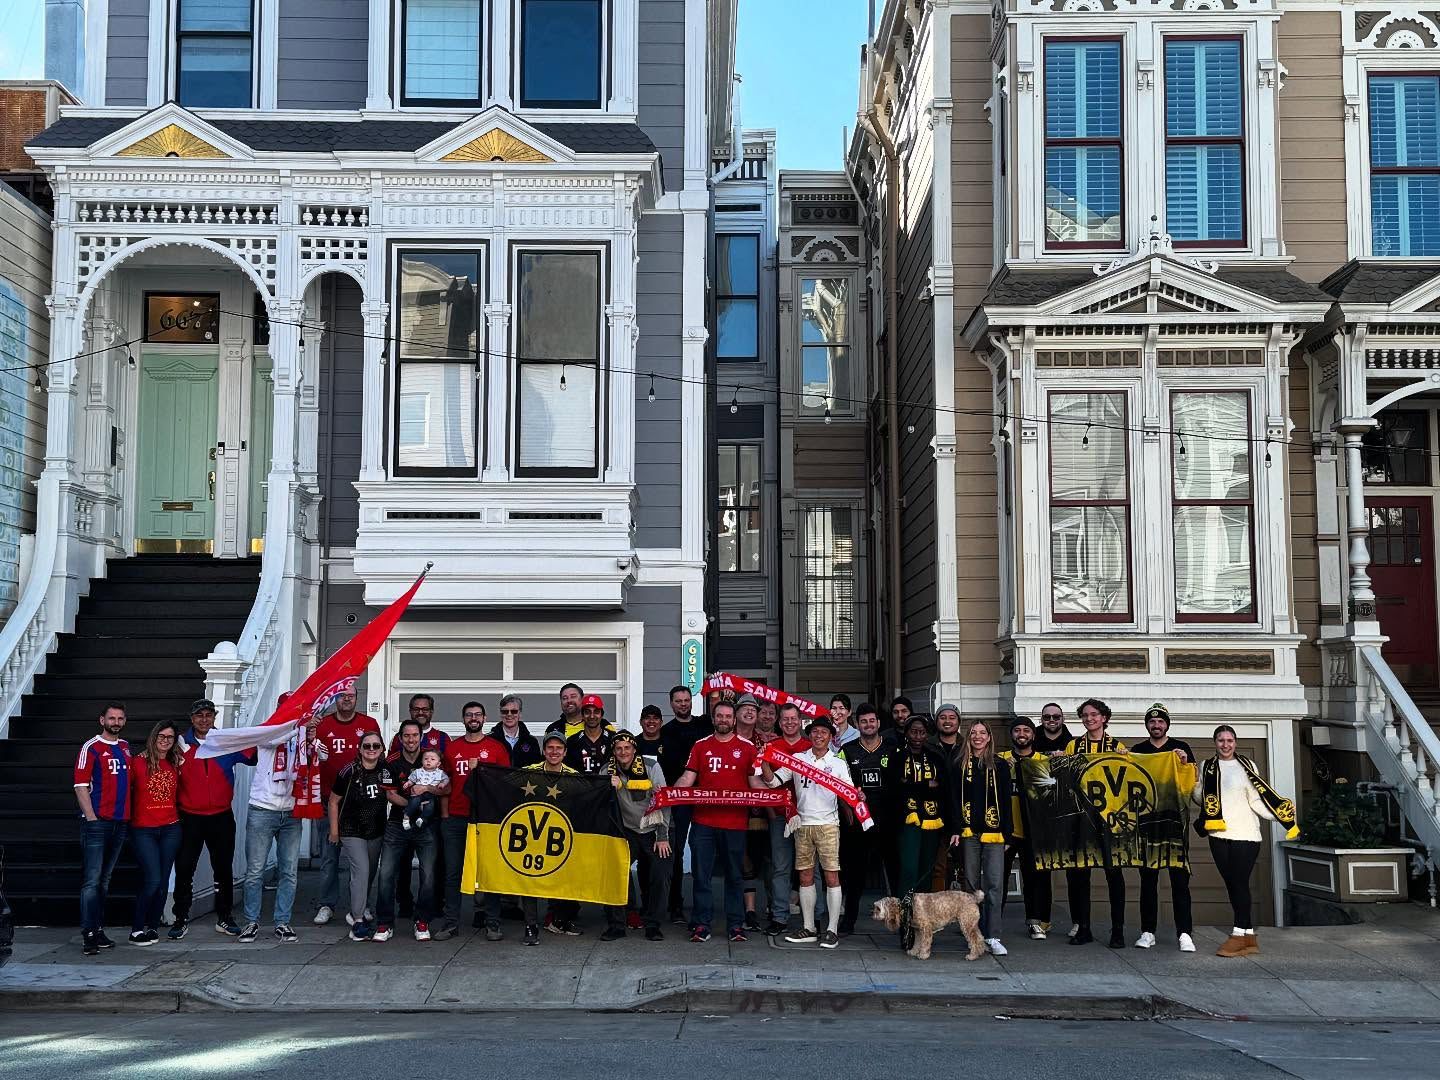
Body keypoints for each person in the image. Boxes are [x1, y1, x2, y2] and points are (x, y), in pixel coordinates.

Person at [1195, 724, 1296, 957]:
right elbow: (1202, 800)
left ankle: (1238, 934)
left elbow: (1257, 799)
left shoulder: (1247, 766)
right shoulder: (1207, 766)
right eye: (1221, 740)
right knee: (1232, 885)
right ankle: (1249, 936)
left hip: (1246, 835)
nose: (1225, 745)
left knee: (1239, 883)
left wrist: (1281, 817)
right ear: (1215, 743)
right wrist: (1196, 786)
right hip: (1218, 835)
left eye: (1229, 740)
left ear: (1235, 743)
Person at [672, 700, 763, 943]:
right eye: (719, 716)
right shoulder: (701, 746)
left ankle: (735, 925)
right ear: (713, 719)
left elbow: (755, 783)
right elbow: (687, 778)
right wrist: (668, 794)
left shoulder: (747, 748)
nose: (723, 720)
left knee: (734, 876)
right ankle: (702, 924)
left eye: (727, 716)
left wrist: (774, 796)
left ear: (734, 720)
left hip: (735, 824)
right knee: (702, 876)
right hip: (703, 822)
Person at [762, 717, 851, 948]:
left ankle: (831, 930)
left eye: (824, 732)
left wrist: (858, 798)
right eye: (815, 732)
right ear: (809, 735)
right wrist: (763, 760)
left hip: (829, 825)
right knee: (805, 876)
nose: (818, 736)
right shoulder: (798, 759)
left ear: (831, 736)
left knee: (832, 876)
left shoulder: (838, 762)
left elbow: (848, 793)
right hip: (802, 824)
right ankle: (809, 928)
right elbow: (773, 782)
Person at [171, 699, 255, 939]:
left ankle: (225, 917)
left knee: (223, 869)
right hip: (190, 817)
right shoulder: (179, 745)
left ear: (215, 717)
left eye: (209, 715)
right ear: (191, 718)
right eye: (200, 715)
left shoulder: (225, 741)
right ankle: (180, 917)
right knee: (185, 868)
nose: (204, 719)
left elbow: (254, 756)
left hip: (221, 816)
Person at [239, 706, 322, 943]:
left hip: (291, 811)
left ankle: (282, 921)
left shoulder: (301, 735)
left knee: (289, 871)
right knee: (255, 870)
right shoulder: (269, 731)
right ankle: (251, 921)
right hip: (263, 809)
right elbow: (273, 738)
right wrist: (302, 727)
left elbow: (322, 756)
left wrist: (312, 738)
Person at [439, 701, 510, 941]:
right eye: (469, 714)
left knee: (488, 873)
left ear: (485, 718)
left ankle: (492, 923)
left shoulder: (496, 748)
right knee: (452, 873)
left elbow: (504, 784)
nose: (473, 718)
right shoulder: (452, 748)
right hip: (456, 818)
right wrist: (445, 815)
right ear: (463, 719)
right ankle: (450, 924)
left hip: (485, 820)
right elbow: (445, 783)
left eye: (477, 714)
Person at [373, 719, 448, 943]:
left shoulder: (431, 758)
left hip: (427, 826)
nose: (411, 739)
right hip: (398, 824)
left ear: (420, 736)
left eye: (415, 735)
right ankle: (385, 923)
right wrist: (413, 804)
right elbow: (390, 794)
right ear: (400, 737)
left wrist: (426, 788)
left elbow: (447, 787)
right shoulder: (391, 762)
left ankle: (422, 920)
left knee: (428, 875)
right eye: (406, 735)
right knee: (386, 873)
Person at [1131, 702, 1196, 953]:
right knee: (1148, 882)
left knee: (1180, 882)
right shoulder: (1139, 749)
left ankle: (1185, 933)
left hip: (1175, 826)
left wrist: (1183, 763)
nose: (1156, 725)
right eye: (1152, 721)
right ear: (1147, 724)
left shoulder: (1181, 748)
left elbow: (1192, 783)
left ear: (1167, 724)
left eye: (1160, 721)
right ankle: (1148, 931)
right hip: (1147, 825)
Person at [1063, 698, 1127, 948]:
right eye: (1085, 715)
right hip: (1081, 817)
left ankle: (1118, 930)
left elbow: (1125, 780)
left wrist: (1126, 758)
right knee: (1080, 874)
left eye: (1094, 715)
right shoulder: (1074, 745)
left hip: (1109, 819)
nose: (1089, 719)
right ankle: (1084, 927)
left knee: (1114, 874)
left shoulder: (1116, 745)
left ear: (1104, 718)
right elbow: (1063, 776)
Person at [313, 690, 380, 927]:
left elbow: (376, 758)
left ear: (357, 698)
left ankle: (362, 905)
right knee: (329, 857)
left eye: (351, 695)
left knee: (364, 862)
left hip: (360, 806)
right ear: (335, 699)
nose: (347, 699)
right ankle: (326, 904)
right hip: (328, 800)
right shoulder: (323, 725)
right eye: (341, 695)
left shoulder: (368, 723)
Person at [603, 731, 672, 941]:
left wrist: (662, 835)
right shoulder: (607, 770)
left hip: (652, 828)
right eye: (618, 748)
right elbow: (599, 804)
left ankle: (653, 924)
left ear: (634, 749)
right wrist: (608, 787)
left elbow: (663, 799)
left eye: (627, 747)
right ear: (613, 752)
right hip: (626, 831)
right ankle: (617, 924)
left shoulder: (651, 766)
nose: (623, 752)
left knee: (660, 874)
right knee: (613, 871)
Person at [75, 703, 131, 955]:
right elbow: (80, 784)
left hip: (120, 822)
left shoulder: (125, 747)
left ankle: (98, 929)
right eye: (111, 718)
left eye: (120, 718)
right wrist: (92, 818)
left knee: (105, 880)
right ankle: (87, 932)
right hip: (98, 823)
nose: (116, 722)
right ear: (102, 720)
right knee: (92, 880)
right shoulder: (92, 747)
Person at [954, 720, 1013, 956]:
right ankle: (972, 933)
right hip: (969, 833)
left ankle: (993, 935)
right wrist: (956, 829)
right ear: (968, 737)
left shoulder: (999, 765)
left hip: (994, 832)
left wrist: (1008, 833)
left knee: (994, 884)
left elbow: (1007, 801)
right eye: (973, 733)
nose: (978, 737)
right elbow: (953, 799)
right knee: (970, 884)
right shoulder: (958, 764)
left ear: (989, 737)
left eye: (982, 733)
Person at [328, 734, 392, 941]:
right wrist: (334, 831)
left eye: (375, 745)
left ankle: (362, 906)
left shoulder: (385, 770)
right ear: (359, 748)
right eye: (367, 745)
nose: (371, 749)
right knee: (361, 872)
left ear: (382, 748)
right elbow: (333, 801)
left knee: (370, 872)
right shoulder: (349, 771)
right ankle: (357, 920)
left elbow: (391, 795)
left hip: (376, 829)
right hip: (351, 829)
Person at [126, 720, 184, 946]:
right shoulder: (137, 763)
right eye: (162, 736)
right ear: (153, 737)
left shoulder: (175, 763)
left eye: (170, 737)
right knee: (152, 879)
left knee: (162, 883)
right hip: (144, 829)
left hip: (170, 827)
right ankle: (136, 929)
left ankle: (152, 927)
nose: (165, 741)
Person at [841, 703, 896, 934]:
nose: (868, 725)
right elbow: (839, 782)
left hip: (887, 822)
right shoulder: (847, 749)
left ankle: (899, 922)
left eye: (872, 721)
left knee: (894, 874)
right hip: (858, 824)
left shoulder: (893, 749)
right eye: (863, 721)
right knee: (854, 875)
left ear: (879, 723)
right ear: (857, 724)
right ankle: (848, 921)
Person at [887, 715, 955, 896]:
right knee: (909, 868)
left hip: (932, 819)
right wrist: (926, 785)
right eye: (913, 732)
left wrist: (910, 784)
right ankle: (905, 916)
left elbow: (942, 788)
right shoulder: (897, 756)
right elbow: (896, 788)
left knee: (926, 870)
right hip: (906, 820)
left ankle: (920, 918)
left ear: (927, 735)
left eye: (922, 733)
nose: (917, 737)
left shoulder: (935, 756)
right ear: (906, 733)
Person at [520, 732, 579, 944]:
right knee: (530, 882)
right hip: (532, 836)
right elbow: (502, 783)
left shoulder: (573, 776)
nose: (554, 752)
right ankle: (530, 925)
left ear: (565, 752)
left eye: (559, 748)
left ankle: (561, 919)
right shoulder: (528, 773)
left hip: (560, 837)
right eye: (550, 748)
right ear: (544, 751)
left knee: (564, 879)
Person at [660, 685, 709, 923]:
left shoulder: (703, 725)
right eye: (678, 701)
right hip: (677, 799)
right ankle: (675, 905)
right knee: (676, 852)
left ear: (692, 701)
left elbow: (723, 715)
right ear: (671, 704)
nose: (682, 704)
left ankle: (704, 905)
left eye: (686, 700)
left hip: (705, 797)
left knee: (705, 850)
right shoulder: (665, 732)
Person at [999, 716, 1050, 940]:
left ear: (1033, 735)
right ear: (1011, 734)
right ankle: (993, 922)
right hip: (1006, 829)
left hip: (1034, 829)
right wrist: (1001, 769)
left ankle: (1035, 922)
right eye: (1017, 730)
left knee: (1034, 878)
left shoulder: (1043, 761)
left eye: (1026, 730)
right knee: (998, 878)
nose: (1021, 734)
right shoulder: (1001, 759)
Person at [761, 703, 810, 936]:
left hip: (809, 818)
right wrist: (771, 811)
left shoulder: (811, 747)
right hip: (780, 817)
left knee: (812, 870)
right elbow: (763, 780)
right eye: (785, 719)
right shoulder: (771, 747)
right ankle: (779, 917)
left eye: (793, 719)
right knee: (781, 868)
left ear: (800, 721)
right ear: (779, 723)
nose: (790, 722)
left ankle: (814, 919)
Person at [565, 695, 614, 774]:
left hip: (607, 786)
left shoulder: (612, 739)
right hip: (580, 785)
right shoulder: (572, 741)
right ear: (582, 715)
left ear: (602, 715)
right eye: (587, 712)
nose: (592, 716)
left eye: (596, 712)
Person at [490, 694, 542, 768]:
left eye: (514, 711)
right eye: (505, 711)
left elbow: (536, 771)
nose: (509, 714)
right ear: (500, 714)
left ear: (520, 713)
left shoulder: (531, 742)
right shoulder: (490, 740)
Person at [402, 748, 447, 830]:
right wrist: (408, 783)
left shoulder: (440, 773)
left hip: (431, 794)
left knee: (430, 806)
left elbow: (446, 780)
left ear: (438, 763)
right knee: (414, 802)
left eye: (432, 759)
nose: (428, 761)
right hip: (418, 794)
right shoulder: (418, 771)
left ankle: (422, 819)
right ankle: (406, 816)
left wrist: (442, 784)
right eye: (426, 759)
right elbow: (412, 779)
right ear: (422, 761)